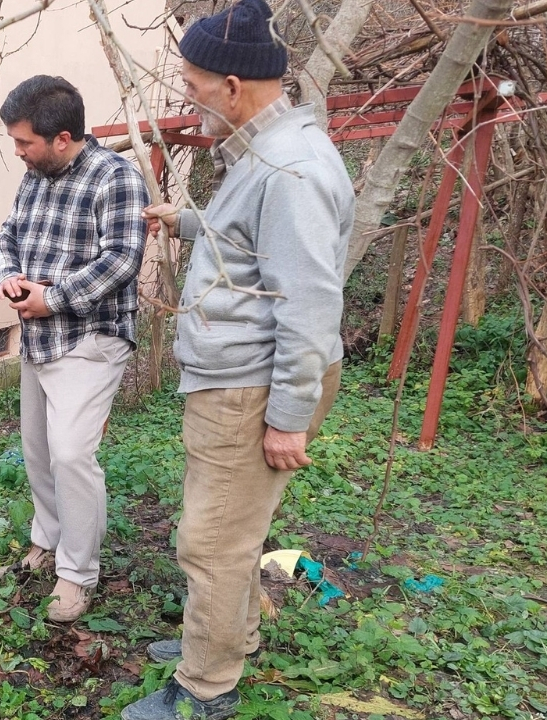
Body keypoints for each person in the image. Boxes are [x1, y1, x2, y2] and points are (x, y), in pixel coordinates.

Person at [122, 1, 354, 718]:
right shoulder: (267, 150)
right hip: (240, 380)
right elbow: (260, 242)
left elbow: (308, 303)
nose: (188, 98)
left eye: (193, 86)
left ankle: (205, 687)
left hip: (251, 388)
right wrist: (191, 222)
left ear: (230, 86)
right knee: (230, 527)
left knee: (213, 540)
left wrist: (287, 417)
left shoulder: (289, 170)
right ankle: (225, 633)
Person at [0, 75, 148, 623]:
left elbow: (122, 259)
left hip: (90, 337)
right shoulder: (34, 177)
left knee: (72, 455)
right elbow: (6, 235)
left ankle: (77, 574)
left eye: (24, 142)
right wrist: (8, 275)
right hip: (39, 339)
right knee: (38, 450)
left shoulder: (115, 177)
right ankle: (49, 538)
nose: (18, 151)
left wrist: (53, 299)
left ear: (62, 138)